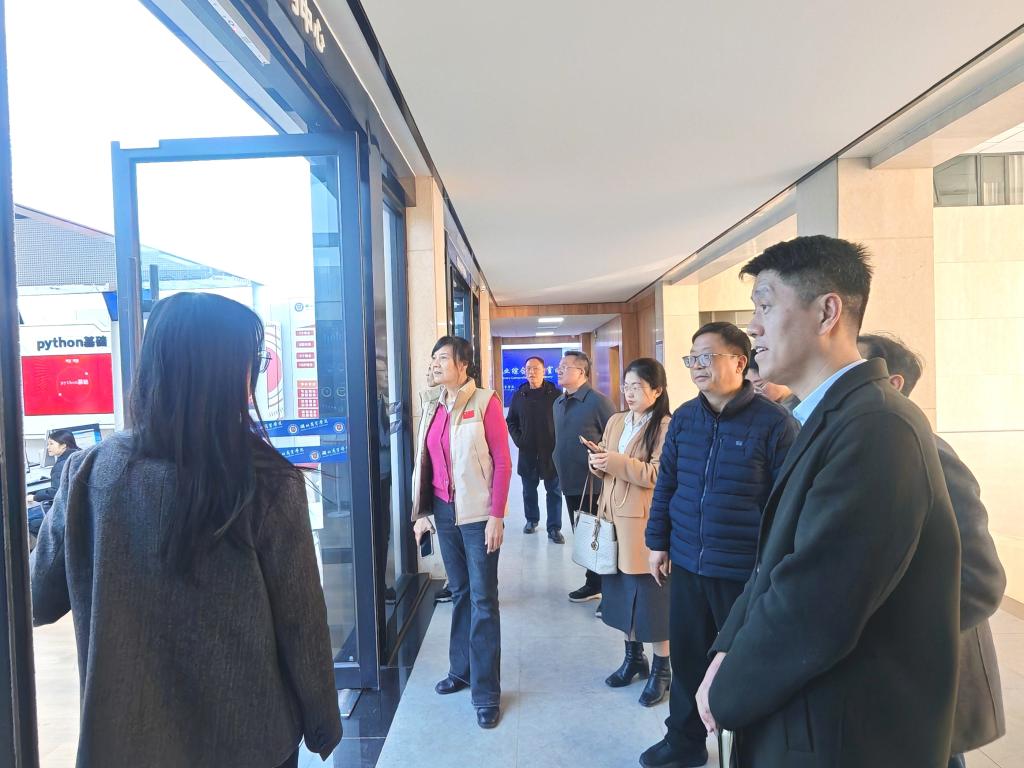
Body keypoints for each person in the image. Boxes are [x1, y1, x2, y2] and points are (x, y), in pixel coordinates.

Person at [30, 292, 341, 768]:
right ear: (225, 372)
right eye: (250, 361)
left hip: (123, 741)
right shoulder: (265, 481)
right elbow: (301, 622)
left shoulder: (90, 472)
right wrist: (322, 723)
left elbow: (35, 597)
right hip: (249, 740)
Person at [696, 236, 961, 767]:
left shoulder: (877, 426)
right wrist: (726, 649)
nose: (753, 327)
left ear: (827, 312)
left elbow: (815, 603)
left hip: (846, 734)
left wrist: (727, 693)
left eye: (765, 306)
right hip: (812, 717)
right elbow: (775, 564)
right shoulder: (831, 416)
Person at [640, 322, 797, 768]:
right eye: (692, 358)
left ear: (740, 362)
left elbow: (785, 507)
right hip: (688, 562)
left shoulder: (774, 423)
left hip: (742, 571)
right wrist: (658, 542)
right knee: (689, 659)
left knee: (741, 666)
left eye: (706, 357)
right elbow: (668, 483)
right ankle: (684, 742)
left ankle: (747, 750)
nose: (697, 366)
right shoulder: (686, 417)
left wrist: (769, 569)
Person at [858, 332, 1006, 768]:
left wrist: (908, 639)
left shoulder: (928, 451)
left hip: (926, 673)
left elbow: (981, 579)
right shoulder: (863, 445)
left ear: (894, 384)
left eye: (855, 370)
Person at [412, 336, 512, 729]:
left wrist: (497, 515)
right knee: (460, 593)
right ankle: (462, 670)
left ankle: (486, 693)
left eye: (443, 358)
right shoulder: (433, 404)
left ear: (463, 365)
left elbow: (502, 461)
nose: (435, 364)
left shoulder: (485, 402)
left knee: (484, 599)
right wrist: (422, 513)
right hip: (443, 511)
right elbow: (425, 462)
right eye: (433, 358)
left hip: (477, 514)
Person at [586, 358, 672, 706]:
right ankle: (634, 658)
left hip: (642, 523)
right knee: (621, 594)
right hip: (611, 518)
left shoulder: (665, 426)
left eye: (637, 387)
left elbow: (658, 475)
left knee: (651, 598)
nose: (629, 393)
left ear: (657, 390)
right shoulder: (617, 420)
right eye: (626, 386)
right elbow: (607, 466)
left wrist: (615, 462)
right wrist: (597, 462)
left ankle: (662, 669)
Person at [552, 350, 616, 603]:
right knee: (584, 535)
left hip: (594, 484)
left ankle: (607, 590)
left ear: (581, 372)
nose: (559, 370)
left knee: (599, 536)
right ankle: (594, 583)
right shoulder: (559, 402)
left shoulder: (598, 402)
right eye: (559, 366)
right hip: (569, 482)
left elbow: (615, 439)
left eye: (565, 366)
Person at [505, 356, 561, 535]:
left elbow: (564, 421)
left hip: (551, 452)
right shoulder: (519, 395)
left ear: (544, 371)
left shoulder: (556, 395)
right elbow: (511, 421)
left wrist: (559, 442)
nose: (532, 372)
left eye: (536, 368)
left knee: (554, 491)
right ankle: (531, 520)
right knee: (529, 491)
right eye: (528, 368)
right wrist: (519, 440)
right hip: (527, 452)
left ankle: (554, 528)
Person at [26, 429, 81, 539]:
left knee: (28, 519)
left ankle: (49, 546)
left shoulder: (61, 465)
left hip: (64, 512)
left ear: (63, 445)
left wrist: (34, 497)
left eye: (51, 444)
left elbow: (55, 492)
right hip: (78, 509)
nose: (48, 447)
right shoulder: (79, 455)